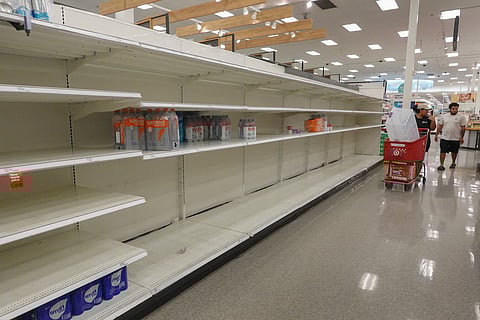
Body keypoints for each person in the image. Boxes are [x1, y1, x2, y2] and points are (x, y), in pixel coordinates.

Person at [435, 102, 467, 170]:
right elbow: (440, 126)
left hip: (455, 138)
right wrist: (436, 135)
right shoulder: (444, 116)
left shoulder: (461, 117)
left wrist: (462, 137)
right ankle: (441, 165)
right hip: (444, 137)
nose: (455, 110)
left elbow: (463, 128)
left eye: (456, 108)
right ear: (450, 109)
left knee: (454, 152)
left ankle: (453, 162)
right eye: (453, 108)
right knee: (442, 151)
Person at [414, 103, 436, 177]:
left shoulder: (427, 118)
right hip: (413, 141)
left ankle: (416, 174)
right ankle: (411, 172)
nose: (427, 112)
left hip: (424, 141)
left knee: (420, 158)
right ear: (421, 110)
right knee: (412, 157)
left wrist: (433, 121)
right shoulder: (413, 118)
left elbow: (432, 128)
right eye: (426, 110)